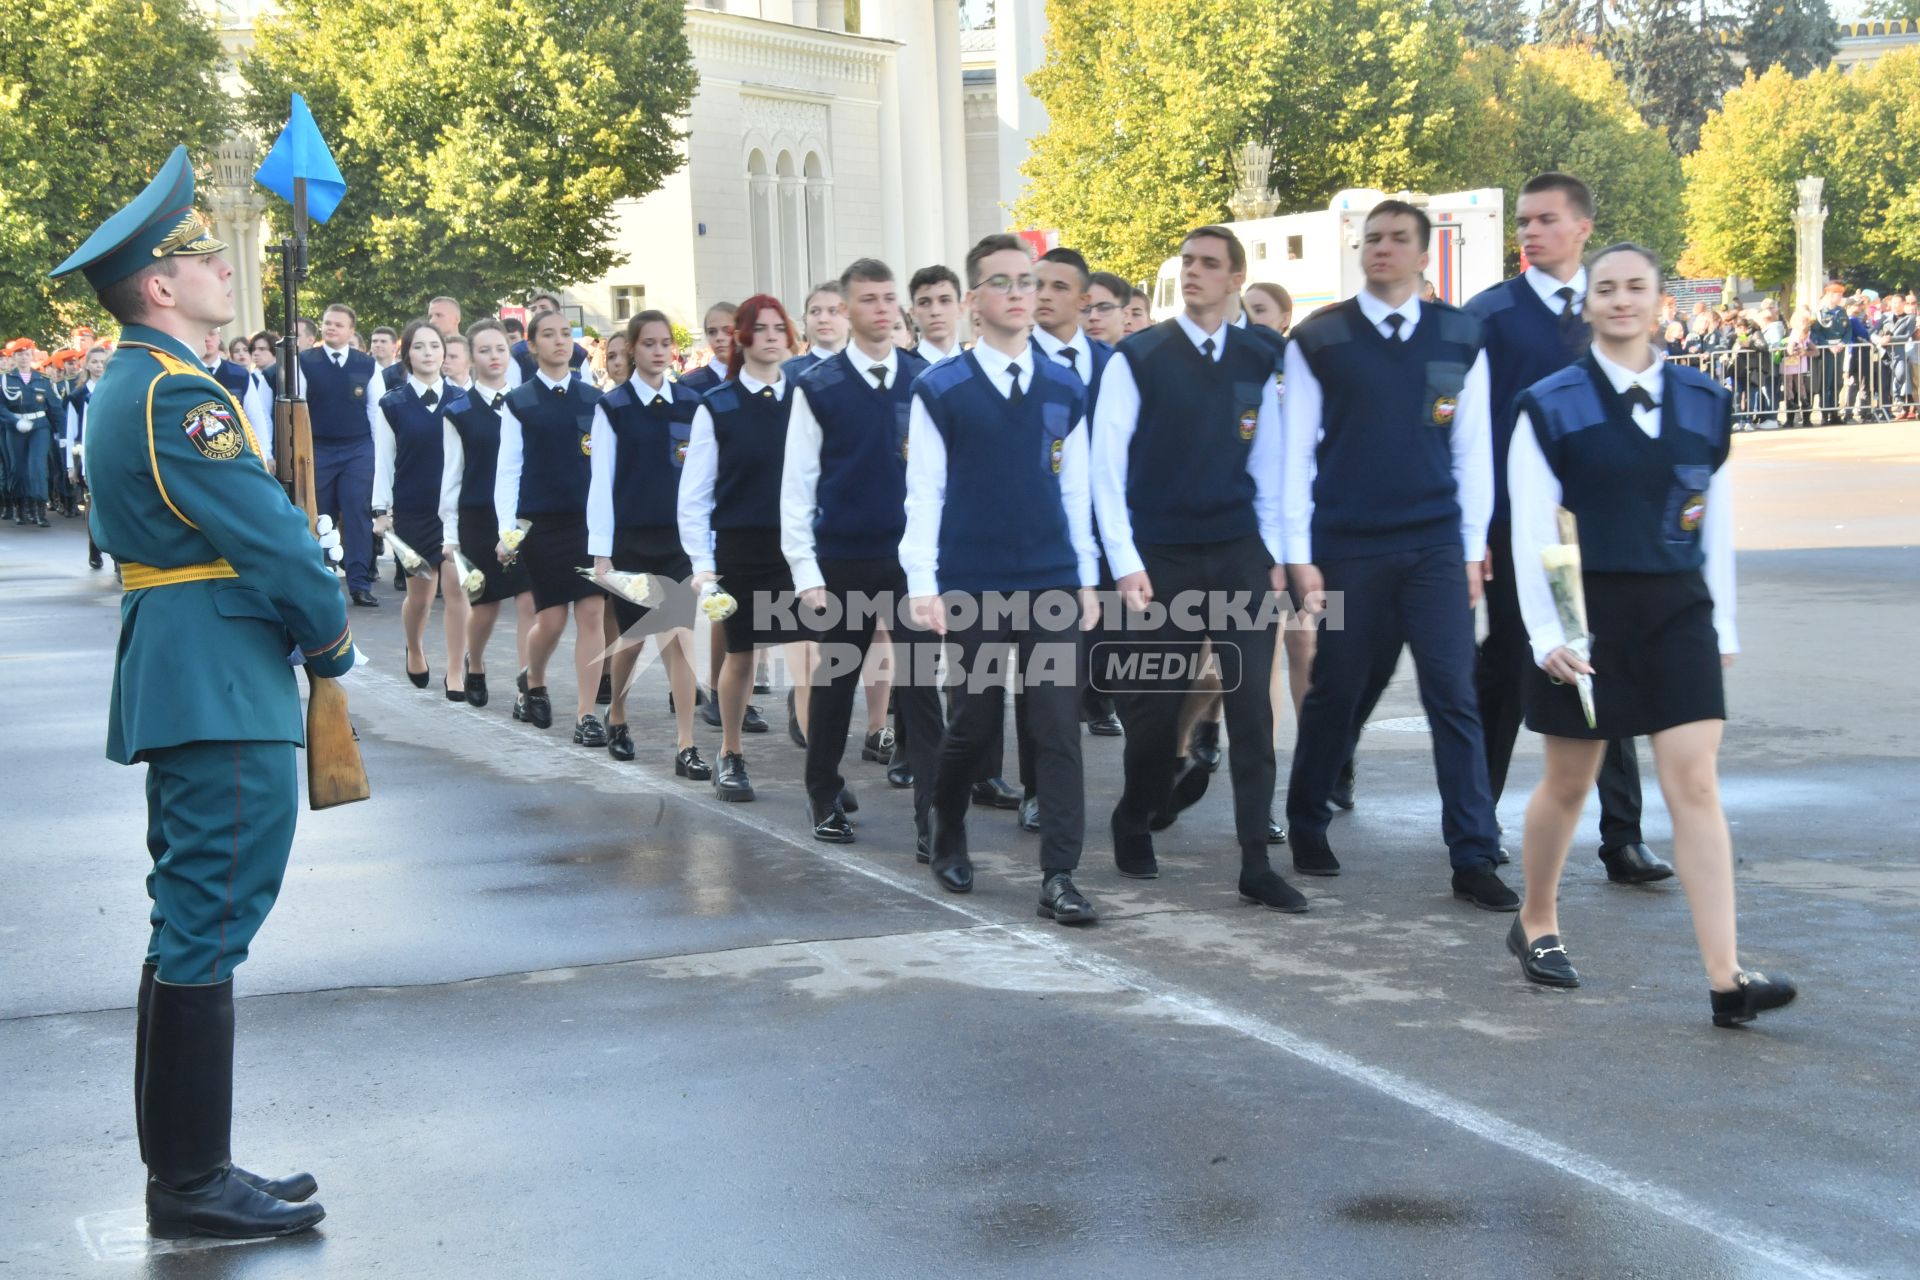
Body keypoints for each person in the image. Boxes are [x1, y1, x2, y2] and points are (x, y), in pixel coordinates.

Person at [48, 143, 348, 1240]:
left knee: (194, 918)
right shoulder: (181, 392)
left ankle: (194, 1166)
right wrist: (330, 641)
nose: (218, 260)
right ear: (158, 288)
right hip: (219, 676)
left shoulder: (149, 379)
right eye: (192, 252)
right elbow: (270, 534)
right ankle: (188, 1184)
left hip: (194, 664)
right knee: (207, 916)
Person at [1504, 242, 1796, 1027]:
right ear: (1588, 304)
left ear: (1661, 299)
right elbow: (1533, 526)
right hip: (1585, 613)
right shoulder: (1549, 402)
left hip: (1677, 611)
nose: (1622, 299)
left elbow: (1717, 521)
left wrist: (1722, 620)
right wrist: (1545, 634)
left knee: (1695, 781)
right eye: (1607, 288)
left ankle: (1727, 979)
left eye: (1637, 287)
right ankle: (1536, 921)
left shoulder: (1706, 400)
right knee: (1569, 783)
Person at [1283, 199, 1515, 910]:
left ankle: (1473, 855)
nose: (1382, 249)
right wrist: (1300, 556)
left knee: (1454, 693)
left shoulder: (1459, 334)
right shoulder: (1320, 339)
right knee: (1339, 686)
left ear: (1424, 253)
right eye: (1372, 239)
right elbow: (1294, 454)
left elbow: (1473, 451)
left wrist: (1473, 547)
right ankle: (1306, 819)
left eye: (1398, 239)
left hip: (1435, 544)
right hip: (1348, 546)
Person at [1462, 173, 1673, 886]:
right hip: (1519, 526)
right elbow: (1471, 432)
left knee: (1600, 663)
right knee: (1509, 666)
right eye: (1523, 221)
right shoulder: (1489, 315)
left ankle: (1622, 837)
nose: (1529, 232)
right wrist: (1478, 532)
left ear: (1583, 226)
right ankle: (1474, 823)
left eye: (1546, 220)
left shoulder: (1610, 307)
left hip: (1604, 527)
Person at [1091, 225, 1300, 912]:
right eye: (1187, 262)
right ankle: (1136, 815)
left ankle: (1255, 862)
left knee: (1250, 710)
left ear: (1238, 278)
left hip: (1239, 551)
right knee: (1155, 709)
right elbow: (1106, 471)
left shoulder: (1264, 354)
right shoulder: (1140, 356)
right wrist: (1125, 564)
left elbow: (1273, 461)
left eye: (1210, 264)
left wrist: (1271, 553)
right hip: (1159, 557)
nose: (1194, 273)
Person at [903, 234, 1102, 920]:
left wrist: (1087, 578)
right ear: (973, 301)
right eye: (1004, 282)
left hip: (1050, 580)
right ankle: (946, 823)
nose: (1021, 293)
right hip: (972, 581)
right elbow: (923, 494)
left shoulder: (1065, 386)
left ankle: (1059, 877)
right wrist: (922, 584)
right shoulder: (941, 389)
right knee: (975, 723)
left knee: (1055, 727)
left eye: (1029, 282)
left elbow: (1077, 492)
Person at [779, 259, 943, 847]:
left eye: (887, 297)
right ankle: (823, 791)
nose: (881, 308)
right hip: (842, 558)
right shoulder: (817, 386)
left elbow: (939, 480)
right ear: (845, 310)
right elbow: (797, 484)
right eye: (868, 299)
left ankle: (933, 815)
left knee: (922, 685)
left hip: (910, 562)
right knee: (836, 682)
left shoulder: (925, 379)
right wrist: (805, 570)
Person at [679, 295, 813, 797]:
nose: (774, 336)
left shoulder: (803, 398)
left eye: (781, 327)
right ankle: (730, 752)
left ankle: (820, 771)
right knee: (742, 656)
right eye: (762, 328)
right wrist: (703, 566)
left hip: (797, 550)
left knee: (810, 657)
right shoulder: (717, 405)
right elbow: (693, 494)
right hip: (740, 547)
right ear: (742, 337)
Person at [587, 309, 708, 775]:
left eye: (665, 344)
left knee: (679, 638)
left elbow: (701, 480)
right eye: (649, 344)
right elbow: (601, 483)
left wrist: (704, 543)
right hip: (632, 541)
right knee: (634, 641)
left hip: (679, 542)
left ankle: (686, 745)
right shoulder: (612, 407)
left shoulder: (692, 404)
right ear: (633, 349)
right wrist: (602, 553)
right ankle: (616, 713)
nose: (659, 352)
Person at [494, 307, 609, 742]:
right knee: (553, 619)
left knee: (593, 611)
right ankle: (533, 678)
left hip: (587, 522)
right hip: (540, 523)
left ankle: (586, 714)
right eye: (549, 334)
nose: (559, 341)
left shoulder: (594, 399)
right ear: (532, 345)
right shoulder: (519, 402)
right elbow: (508, 471)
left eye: (565, 334)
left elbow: (605, 467)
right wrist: (509, 530)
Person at [438, 319, 534, 707]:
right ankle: (474, 662)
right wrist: (450, 532)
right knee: (487, 605)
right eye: (484, 350)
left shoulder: (528, 402)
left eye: (500, 349)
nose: (494, 357)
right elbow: (452, 474)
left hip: (525, 516)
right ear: (471, 358)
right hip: (477, 517)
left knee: (530, 601)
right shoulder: (458, 411)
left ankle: (529, 687)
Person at [373, 318, 470, 695]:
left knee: (457, 590)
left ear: (445, 353)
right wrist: (380, 510)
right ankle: (414, 647)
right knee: (421, 595)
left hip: (456, 510)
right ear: (407, 354)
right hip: (413, 508)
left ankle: (456, 672)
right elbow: (383, 458)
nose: (428, 353)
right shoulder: (392, 403)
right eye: (419, 347)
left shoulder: (463, 400)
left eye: (434, 346)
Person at [299, 303, 382, 606]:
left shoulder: (366, 364)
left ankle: (359, 583)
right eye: (327, 323)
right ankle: (320, 579)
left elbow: (375, 411)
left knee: (358, 513)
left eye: (338, 324)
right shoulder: (305, 361)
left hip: (358, 449)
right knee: (319, 515)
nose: (331, 328)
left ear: (350, 330)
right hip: (319, 448)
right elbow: (299, 410)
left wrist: (377, 454)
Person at [3, 339, 61, 527]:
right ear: (14, 357)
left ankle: (38, 509)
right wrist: (14, 421)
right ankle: (21, 507)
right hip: (16, 426)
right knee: (18, 469)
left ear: (32, 356)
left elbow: (55, 409)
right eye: (19, 354)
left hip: (39, 426)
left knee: (37, 466)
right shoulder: (5, 379)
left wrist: (63, 434)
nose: (24, 358)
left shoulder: (42, 380)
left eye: (27, 354)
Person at [65, 345, 110, 567]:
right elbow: (71, 432)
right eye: (95, 362)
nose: (99, 366)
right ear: (87, 364)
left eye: (103, 362)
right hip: (88, 455)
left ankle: (119, 558)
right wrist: (70, 465)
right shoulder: (78, 396)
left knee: (114, 506)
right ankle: (94, 546)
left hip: (112, 454)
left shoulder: (115, 389)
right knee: (93, 504)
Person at [510, 292, 590, 382]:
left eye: (543, 307)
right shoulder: (518, 352)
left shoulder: (577, 352)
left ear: (557, 313)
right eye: (533, 309)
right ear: (532, 346)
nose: (537, 312)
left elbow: (587, 387)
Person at [783, 281, 848, 380]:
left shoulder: (867, 369)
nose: (823, 319)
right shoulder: (788, 372)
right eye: (815, 311)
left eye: (833, 311)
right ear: (805, 318)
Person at [678, 302, 738, 395]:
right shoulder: (689, 382)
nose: (719, 338)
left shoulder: (756, 378)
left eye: (728, 331)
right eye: (712, 332)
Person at [909, 265, 964, 364]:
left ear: (961, 308)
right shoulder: (899, 371)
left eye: (944, 300)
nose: (935, 311)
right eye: (924, 303)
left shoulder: (982, 368)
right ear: (913, 313)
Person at [1082, 271, 1132, 346]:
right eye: (1085, 309)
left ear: (1125, 314)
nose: (1092, 317)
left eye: (1104, 308)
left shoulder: (1143, 356)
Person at [370, 326, 404, 393]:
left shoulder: (403, 372)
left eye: (383, 341)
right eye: (374, 341)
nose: (378, 345)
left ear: (395, 346)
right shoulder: (365, 370)